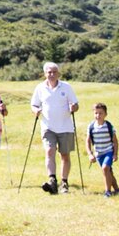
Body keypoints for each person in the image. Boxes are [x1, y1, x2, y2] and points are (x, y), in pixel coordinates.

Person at [31, 62, 80, 194]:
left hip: (65, 127)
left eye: (54, 72)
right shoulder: (40, 88)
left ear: (58, 74)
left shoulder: (66, 87)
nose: (51, 74)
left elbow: (75, 103)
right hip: (48, 127)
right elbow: (34, 104)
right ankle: (52, 180)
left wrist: (73, 107)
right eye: (49, 72)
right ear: (45, 74)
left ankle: (64, 182)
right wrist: (36, 110)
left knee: (65, 155)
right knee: (49, 151)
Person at [87, 103, 119, 197]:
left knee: (105, 169)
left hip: (108, 151)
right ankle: (117, 189)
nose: (98, 115)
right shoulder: (91, 127)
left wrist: (115, 154)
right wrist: (90, 154)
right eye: (96, 113)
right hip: (99, 154)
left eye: (100, 113)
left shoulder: (109, 126)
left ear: (105, 114)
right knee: (108, 172)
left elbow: (115, 141)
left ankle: (107, 191)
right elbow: (88, 142)